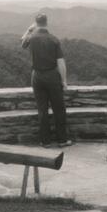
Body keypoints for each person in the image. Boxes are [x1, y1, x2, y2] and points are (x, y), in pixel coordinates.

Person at [21, 13, 72, 148]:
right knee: (59, 109)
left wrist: (29, 29)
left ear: (36, 23)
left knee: (42, 110)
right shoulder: (53, 39)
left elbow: (22, 43)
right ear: (47, 23)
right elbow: (60, 62)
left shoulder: (31, 38)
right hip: (52, 76)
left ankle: (45, 141)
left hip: (37, 76)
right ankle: (62, 140)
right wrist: (64, 80)